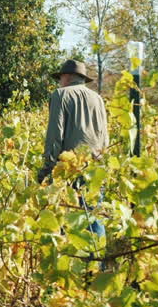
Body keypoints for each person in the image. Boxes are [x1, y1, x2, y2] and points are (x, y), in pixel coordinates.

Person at [38, 59, 108, 237]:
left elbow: (55, 134)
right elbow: (104, 137)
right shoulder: (98, 99)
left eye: (60, 78)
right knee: (94, 218)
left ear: (67, 77)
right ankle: (98, 254)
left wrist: (47, 167)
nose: (59, 82)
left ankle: (67, 253)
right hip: (95, 167)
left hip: (69, 169)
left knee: (63, 220)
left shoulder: (60, 95)